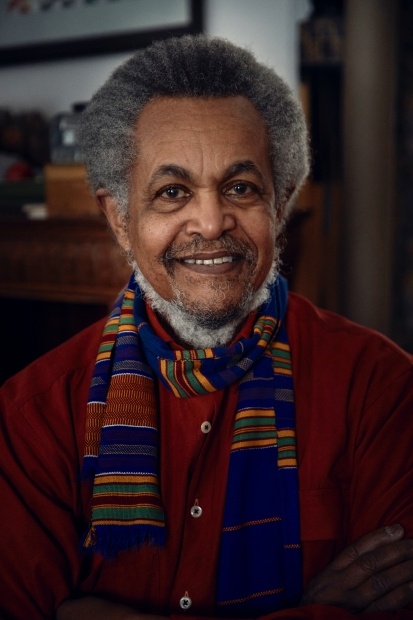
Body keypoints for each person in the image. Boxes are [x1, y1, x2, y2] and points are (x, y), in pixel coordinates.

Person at [1, 35, 413, 620]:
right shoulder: (33, 415)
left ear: (280, 203)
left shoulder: (381, 387)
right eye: (172, 193)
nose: (212, 222)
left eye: (240, 188)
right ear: (119, 219)